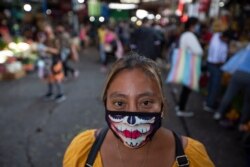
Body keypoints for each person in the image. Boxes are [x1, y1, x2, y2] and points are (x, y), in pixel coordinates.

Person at [63, 53, 214, 167]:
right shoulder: (83, 151)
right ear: (105, 103)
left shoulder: (193, 157)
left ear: (162, 104)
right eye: (119, 103)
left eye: (146, 102)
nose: (132, 119)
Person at [175, 17, 203, 117]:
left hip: (186, 62)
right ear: (193, 25)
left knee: (186, 87)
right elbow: (198, 51)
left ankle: (180, 106)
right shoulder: (190, 35)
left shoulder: (184, 34)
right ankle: (181, 109)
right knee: (187, 87)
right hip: (190, 63)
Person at [203, 30, 230, 112]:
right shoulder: (216, 39)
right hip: (214, 65)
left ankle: (208, 101)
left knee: (212, 84)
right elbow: (217, 59)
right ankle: (209, 104)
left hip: (214, 64)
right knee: (214, 85)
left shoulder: (218, 38)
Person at [43, 24, 66, 102]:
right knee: (49, 78)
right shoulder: (46, 40)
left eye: (47, 31)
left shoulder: (55, 39)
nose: (46, 33)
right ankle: (50, 93)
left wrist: (47, 49)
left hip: (55, 61)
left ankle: (61, 94)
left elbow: (57, 51)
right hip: (48, 61)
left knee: (57, 78)